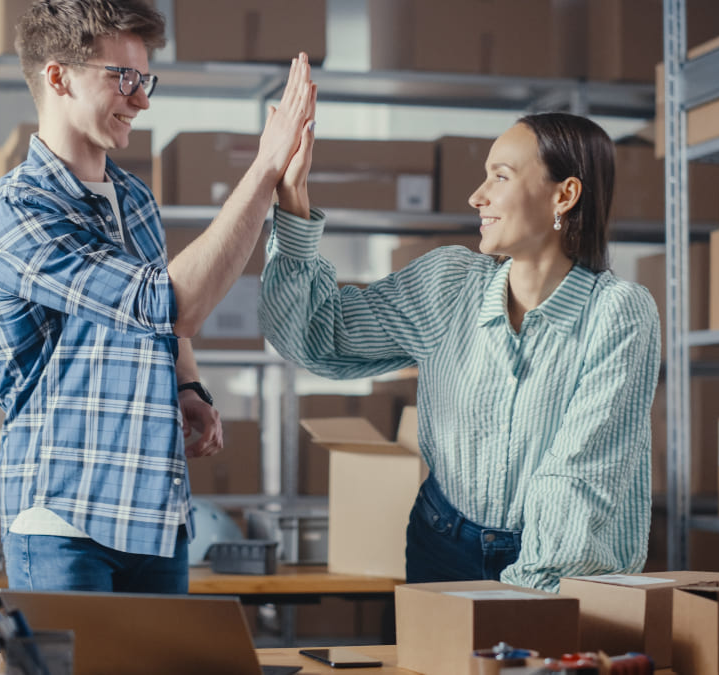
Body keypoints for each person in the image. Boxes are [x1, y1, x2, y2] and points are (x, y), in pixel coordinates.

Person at [0, 0, 316, 593]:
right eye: (122, 77)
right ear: (58, 77)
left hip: (154, 515)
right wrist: (263, 170)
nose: (142, 98)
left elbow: (166, 329)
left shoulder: (133, 199)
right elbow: (172, 302)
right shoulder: (18, 216)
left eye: (144, 78)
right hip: (64, 526)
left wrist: (188, 387)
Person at [259, 112, 660, 592]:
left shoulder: (618, 313)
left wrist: (531, 595)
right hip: (442, 547)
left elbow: (579, 476)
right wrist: (293, 202)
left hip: (561, 562)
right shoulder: (449, 285)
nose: (477, 196)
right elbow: (314, 333)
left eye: (500, 176)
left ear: (564, 195)